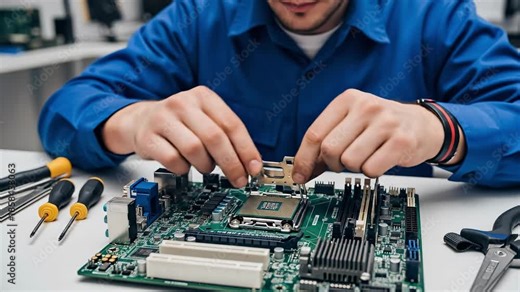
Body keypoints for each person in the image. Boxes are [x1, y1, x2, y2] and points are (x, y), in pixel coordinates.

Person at [39, 0, 520, 188]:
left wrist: (443, 130)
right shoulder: (197, 15)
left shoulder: (435, 15)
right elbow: (64, 113)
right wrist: (131, 120)